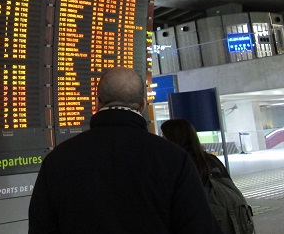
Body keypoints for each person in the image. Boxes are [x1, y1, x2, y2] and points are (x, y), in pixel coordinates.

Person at [28, 67, 221, 233]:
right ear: (143, 106)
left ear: (97, 102)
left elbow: (41, 228)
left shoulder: (58, 160)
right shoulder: (174, 159)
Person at [161, 118, 229, 184]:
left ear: (174, 139)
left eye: (164, 136)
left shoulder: (178, 165)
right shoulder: (212, 159)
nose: (161, 141)